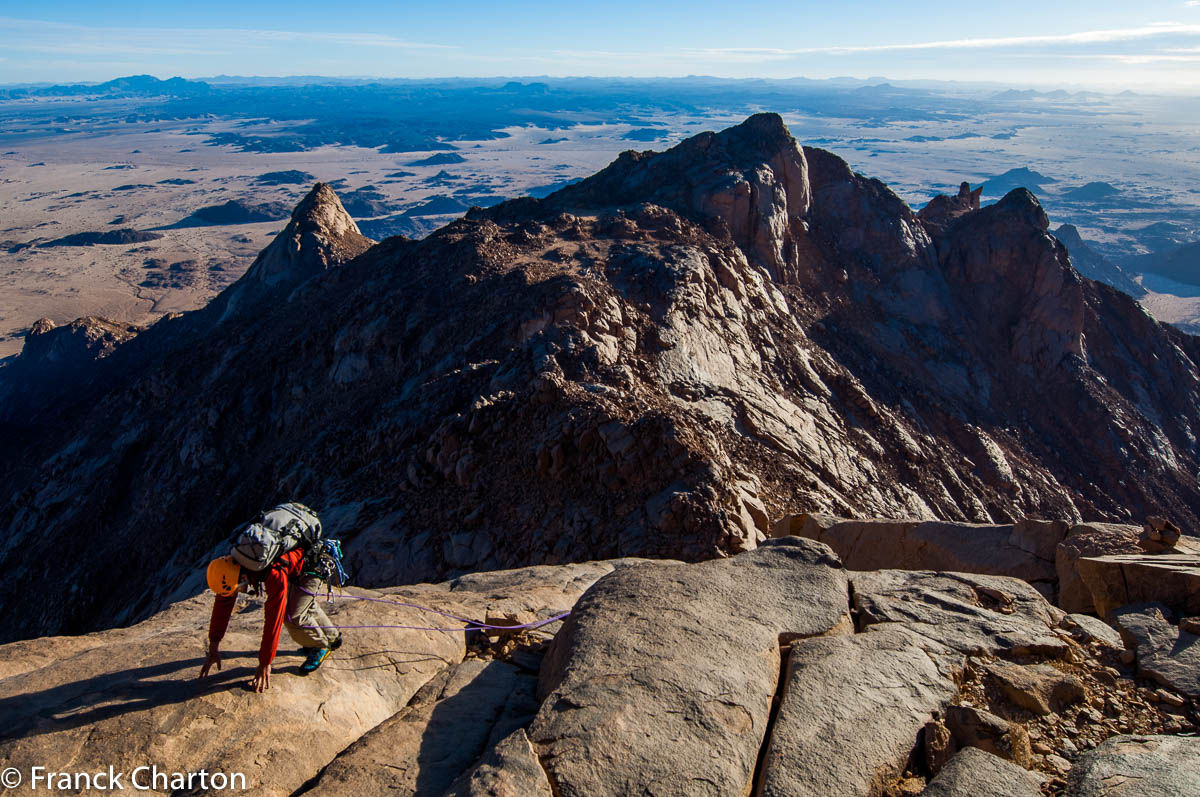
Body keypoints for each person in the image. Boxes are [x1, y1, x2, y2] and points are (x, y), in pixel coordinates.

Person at [198, 548, 342, 692]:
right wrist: (214, 644)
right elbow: (224, 603)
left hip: (312, 566)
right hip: (302, 564)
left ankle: (321, 645)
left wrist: (265, 662)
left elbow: (275, 618)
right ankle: (333, 637)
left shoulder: (272, 571)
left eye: (237, 590)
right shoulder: (236, 564)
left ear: (242, 579)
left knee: (293, 615)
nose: (237, 593)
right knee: (302, 603)